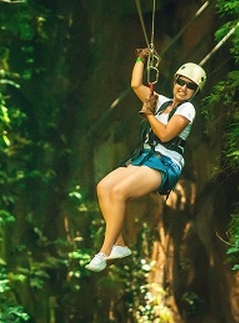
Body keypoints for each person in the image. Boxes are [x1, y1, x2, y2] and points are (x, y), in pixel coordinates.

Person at [84, 48, 206, 272]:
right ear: (175, 81)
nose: (183, 88)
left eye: (190, 86)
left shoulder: (188, 109)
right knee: (104, 187)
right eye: (181, 82)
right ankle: (119, 244)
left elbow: (166, 134)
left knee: (119, 193)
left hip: (166, 162)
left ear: (195, 91)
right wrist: (141, 57)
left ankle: (103, 252)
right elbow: (135, 85)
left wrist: (148, 114)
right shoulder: (161, 101)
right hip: (146, 156)